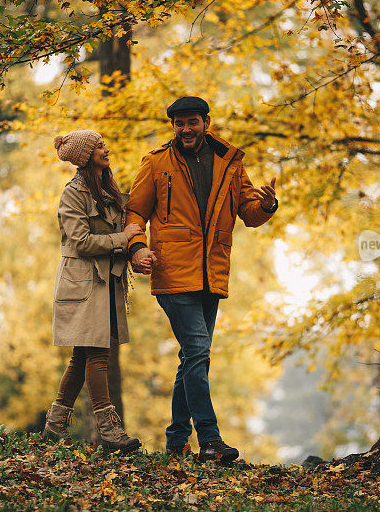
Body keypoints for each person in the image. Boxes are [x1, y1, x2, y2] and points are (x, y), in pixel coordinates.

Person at [125, 96, 278, 463]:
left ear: (206, 122)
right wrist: (135, 248)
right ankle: (210, 440)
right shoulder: (157, 163)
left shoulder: (230, 161)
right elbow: (135, 211)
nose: (186, 129)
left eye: (192, 122)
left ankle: (177, 440)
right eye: (179, 124)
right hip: (172, 270)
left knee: (193, 358)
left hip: (212, 273)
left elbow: (248, 213)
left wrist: (268, 205)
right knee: (197, 352)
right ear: (173, 127)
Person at [42, 129, 142, 453]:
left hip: (104, 282)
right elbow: (81, 242)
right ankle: (110, 431)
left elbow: (121, 229)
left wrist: (135, 250)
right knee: (97, 354)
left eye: (103, 143)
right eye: (98, 146)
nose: (105, 148)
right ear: (85, 157)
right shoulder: (73, 194)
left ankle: (54, 425)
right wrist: (123, 239)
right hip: (82, 283)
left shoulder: (108, 188)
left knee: (81, 356)